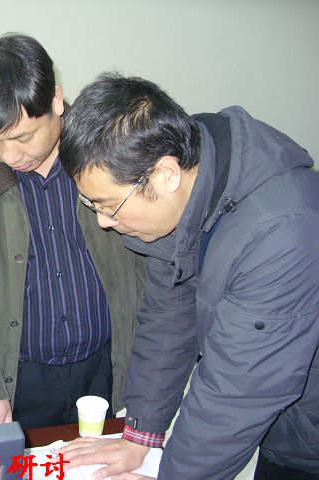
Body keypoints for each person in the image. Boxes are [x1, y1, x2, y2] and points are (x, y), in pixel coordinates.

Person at [57, 73, 319, 479]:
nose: (104, 222)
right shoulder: (191, 187)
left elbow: (238, 391)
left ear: (166, 175)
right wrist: (140, 434)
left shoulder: (283, 232)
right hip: (282, 422)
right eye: (93, 205)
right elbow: (168, 318)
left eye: (109, 205)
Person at [0, 34, 145, 430]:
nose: (11, 156)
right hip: (18, 376)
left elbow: (159, 266)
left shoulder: (112, 150)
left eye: (23, 137)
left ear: (55, 100)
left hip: (113, 362)